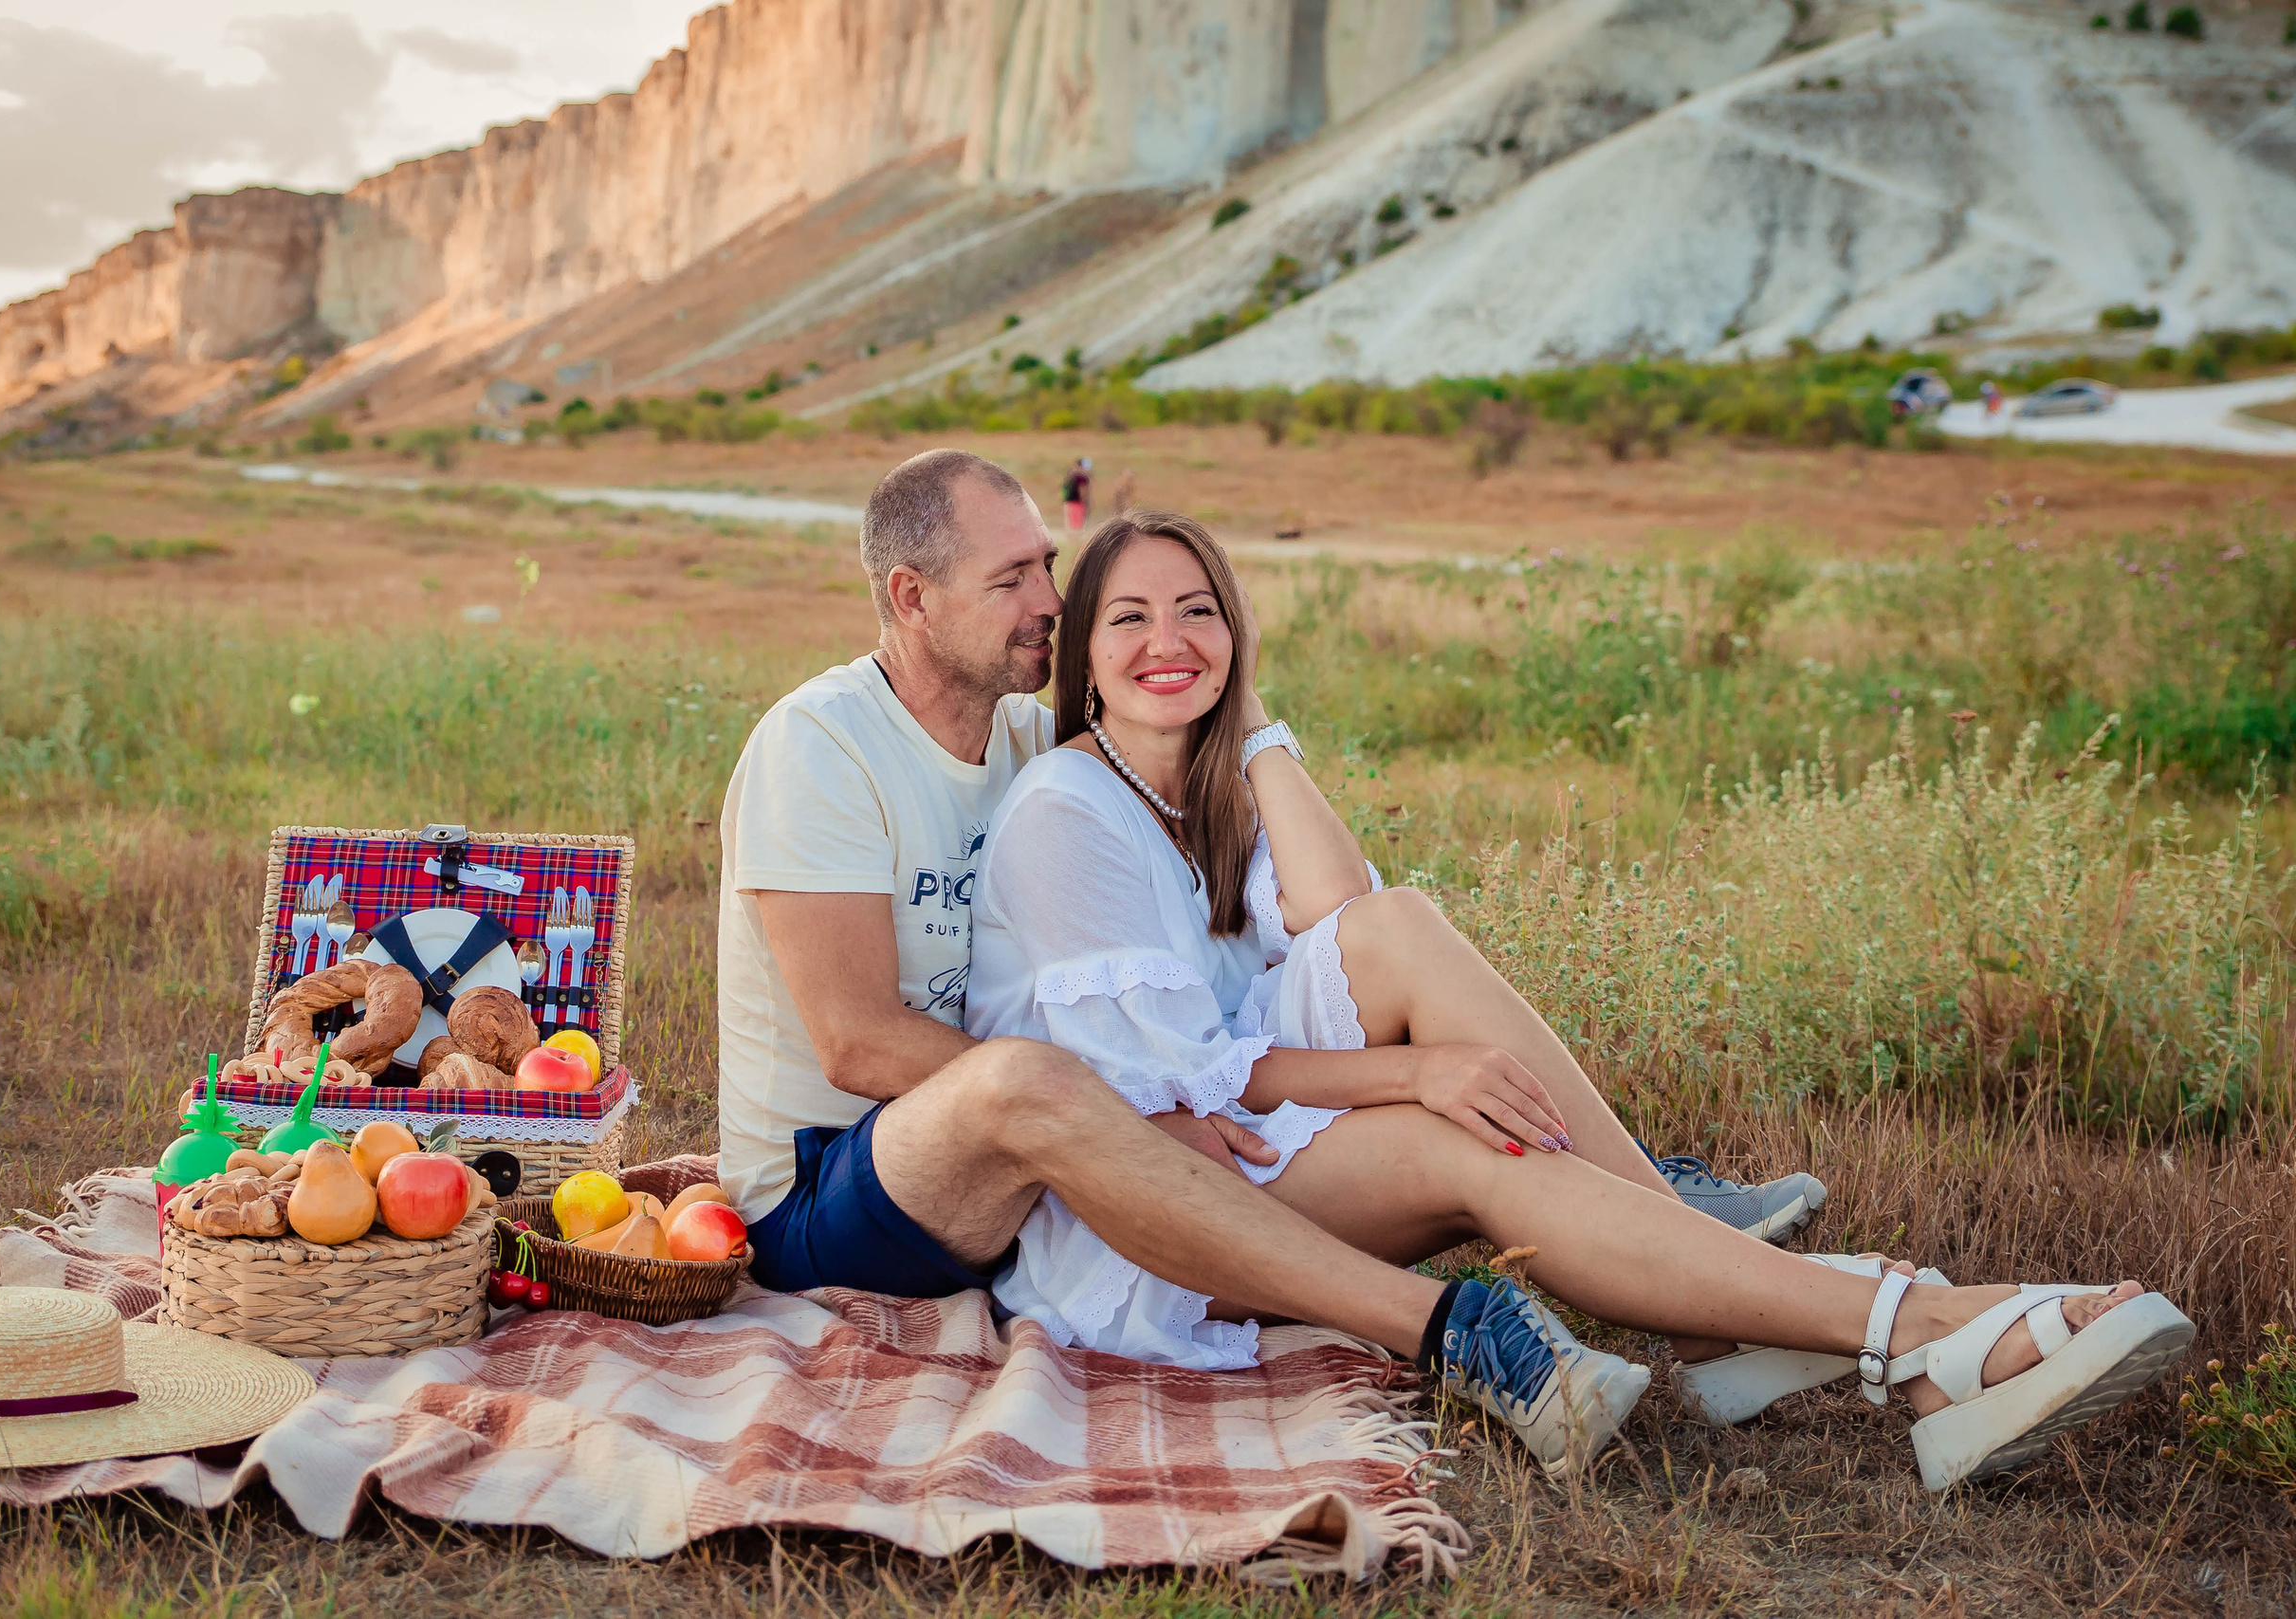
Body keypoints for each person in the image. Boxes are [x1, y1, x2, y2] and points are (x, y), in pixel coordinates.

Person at [712, 450, 2142, 1483]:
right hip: (848, 1184)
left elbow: (1330, 920)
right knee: (1074, 1081)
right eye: (1019, 577)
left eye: (1050, 570)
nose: (1049, 596)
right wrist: (1135, 1110)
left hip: (1125, 1139)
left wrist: (1248, 725)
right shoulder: (835, 749)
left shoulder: (1033, 729)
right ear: (912, 598)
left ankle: (1795, 1313)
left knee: (1409, 965)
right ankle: (1907, 1321)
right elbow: (860, 1041)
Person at [1060, 456, 1092, 535]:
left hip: (1068, 503)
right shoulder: (1081, 478)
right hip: (1077, 504)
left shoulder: (1070, 476)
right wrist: (1086, 502)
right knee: (1077, 526)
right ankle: (1076, 540)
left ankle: (1071, 539)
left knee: (1070, 524)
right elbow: (1082, 491)